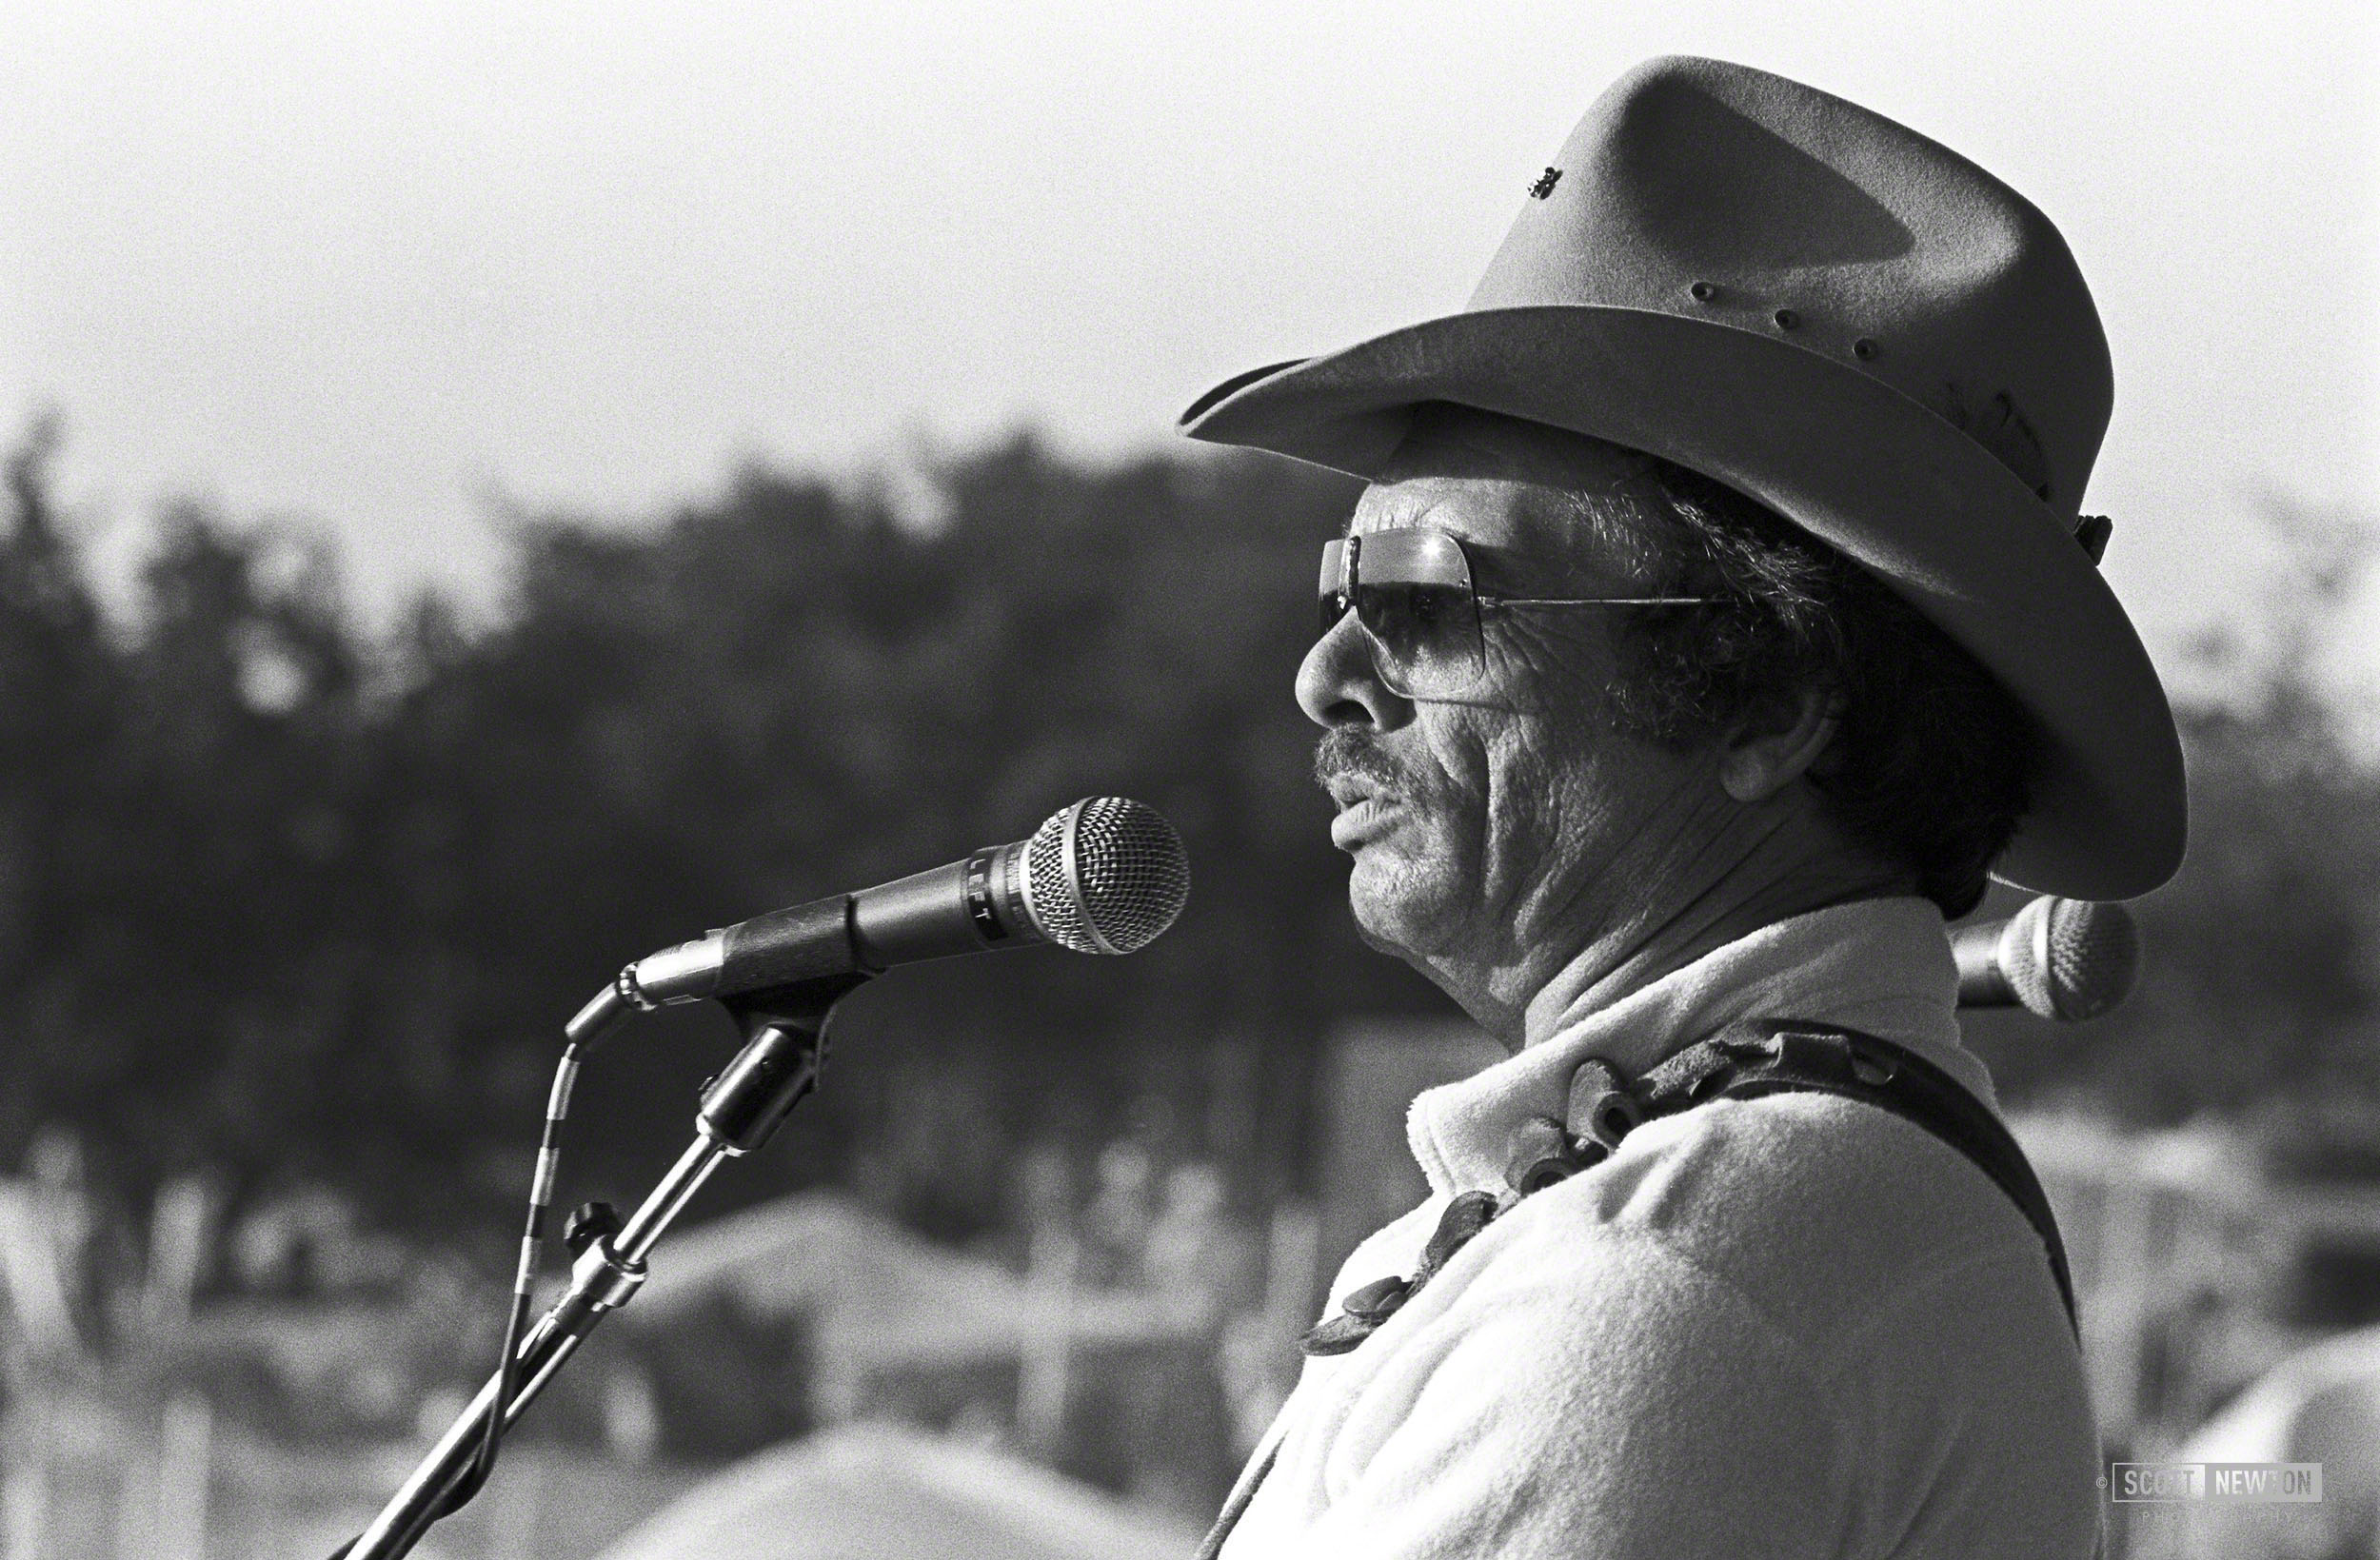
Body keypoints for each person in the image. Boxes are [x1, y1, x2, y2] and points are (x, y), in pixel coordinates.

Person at [1176, 56, 2187, 1557]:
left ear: (1770, 700)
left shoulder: (1652, 1294)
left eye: (1426, 599)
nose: (1330, 675)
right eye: (1343, 588)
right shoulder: (1781, 1212)